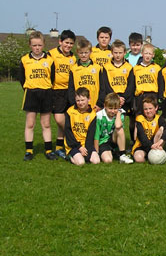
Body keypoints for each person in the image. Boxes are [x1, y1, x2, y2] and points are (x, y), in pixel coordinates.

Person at [19, 31, 57, 161]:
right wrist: (30, 88)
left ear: (43, 45)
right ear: (30, 45)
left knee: (46, 124)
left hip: (46, 93)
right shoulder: (25, 60)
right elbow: (22, 79)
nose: (37, 48)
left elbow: (52, 78)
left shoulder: (49, 59)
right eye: (34, 45)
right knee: (30, 124)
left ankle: (48, 150)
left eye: (39, 45)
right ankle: (29, 151)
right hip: (31, 93)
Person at [48, 29, 77, 159]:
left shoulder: (73, 57)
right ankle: (72, 140)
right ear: (60, 41)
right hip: (56, 91)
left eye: (71, 43)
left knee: (66, 119)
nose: (68, 45)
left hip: (70, 92)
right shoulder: (51, 54)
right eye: (66, 42)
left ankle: (60, 147)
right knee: (60, 120)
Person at [102, 39, 135, 142]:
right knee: (111, 123)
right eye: (115, 52)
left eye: (120, 53)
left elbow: (131, 85)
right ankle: (111, 143)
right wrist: (115, 98)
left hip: (124, 99)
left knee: (120, 123)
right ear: (111, 53)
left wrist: (123, 98)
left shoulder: (129, 67)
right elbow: (105, 84)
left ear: (125, 53)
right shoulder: (106, 67)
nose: (117, 55)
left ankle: (120, 144)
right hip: (111, 98)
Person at [94, 92, 133, 164]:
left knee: (119, 129)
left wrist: (118, 113)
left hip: (113, 140)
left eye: (115, 108)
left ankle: (122, 155)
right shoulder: (99, 116)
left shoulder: (119, 113)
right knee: (108, 160)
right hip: (103, 142)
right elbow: (96, 135)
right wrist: (96, 152)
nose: (113, 111)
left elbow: (118, 126)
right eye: (110, 108)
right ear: (105, 106)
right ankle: (111, 152)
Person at [64, 87, 100, 166]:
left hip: (86, 144)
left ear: (89, 99)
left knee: (96, 161)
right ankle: (69, 156)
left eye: (82, 100)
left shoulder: (92, 114)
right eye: (78, 100)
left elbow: (91, 135)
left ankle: (81, 155)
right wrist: (79, 147)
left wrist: (87, 150)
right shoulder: (70, 111)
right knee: (81, 162)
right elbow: (68, 132)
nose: (80, 103)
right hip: (73, 144)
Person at [132, 95, 166, 163]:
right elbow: (141, 136)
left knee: (162, 128)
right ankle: (150, 156)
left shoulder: (159, 118)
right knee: (139, 159)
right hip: (142, 145)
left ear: (156, 108)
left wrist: (161, 140)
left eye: (150, 108)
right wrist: (151, 146)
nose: (148, 111)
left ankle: (158, 154)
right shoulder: (139, 119)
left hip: (156, 143)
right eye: (145, 109)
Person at [68, 39, 104, 111]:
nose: (83, 55)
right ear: (77, 52)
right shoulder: (74, 69)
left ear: (90, 52)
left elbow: (102, 88)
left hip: (95, 106)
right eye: (81, 53)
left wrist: (99, 104)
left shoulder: (98, 68)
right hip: (80, 105)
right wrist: (74, 104)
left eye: (86, 52)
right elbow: (71, 89)